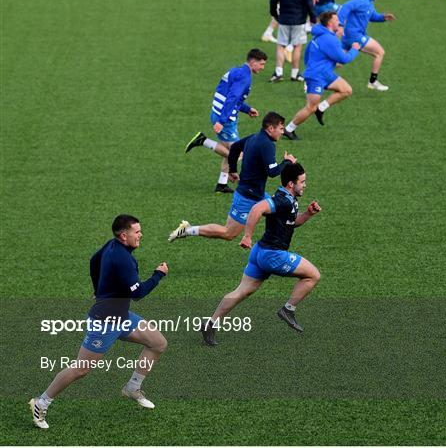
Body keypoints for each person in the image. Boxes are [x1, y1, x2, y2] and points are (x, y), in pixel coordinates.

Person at [29, 215, 169, 429]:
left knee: (158, 343)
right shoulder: (124, 260)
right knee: (81, 369)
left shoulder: (112, 245)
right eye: (137, 232)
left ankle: (132, 388)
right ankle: (41, 402)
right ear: (124, 235)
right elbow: (138, 293)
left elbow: (93, 260)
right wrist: (158, 275)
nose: (141, 235)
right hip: (105, 323)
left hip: (122, 317)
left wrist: (97, 289)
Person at [200, 163, 321, 346]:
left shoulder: (288, 198)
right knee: (313, 275)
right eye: (302, 182)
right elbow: (257, 209)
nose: (305, 185)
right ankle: (288, 309)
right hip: (273, 255)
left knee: (241, 291)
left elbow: (291, 221)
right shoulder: (282, 200)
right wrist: (247, 235)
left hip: (260, 252)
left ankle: (211, 323)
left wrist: (308, 214)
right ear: (291, 184)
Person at [169, 112, 296, 243]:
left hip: (257, 194)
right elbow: (273, 172)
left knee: (283, 212)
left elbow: (235, 147)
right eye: (281, 128)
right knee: (228, 233)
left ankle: (271, 247)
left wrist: (233, 170)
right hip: (247, 197)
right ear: (270, 128)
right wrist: (287, 162)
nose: (282, 132)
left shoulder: (254, 137)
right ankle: (188, 230)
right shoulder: (267, 145)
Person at [184, 49, 267, 194]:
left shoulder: (236, 71)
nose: (262, 67)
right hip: (226, 118)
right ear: (253, 62)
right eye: (261, 64)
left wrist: (247, 109)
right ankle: (203, 141)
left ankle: (221, 184)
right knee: (237, 153)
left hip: (218, 112)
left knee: (229, 151)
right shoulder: (244, 77)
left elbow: (231, 96)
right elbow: (232, 98)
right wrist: (222, 121)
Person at [283, 11, 360, 140]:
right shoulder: (329, 39)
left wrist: (327, 63)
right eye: (336, 20)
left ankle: (321, 108)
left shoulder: (321, 35)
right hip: (317, 76)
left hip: (325, 73)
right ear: (330, 23)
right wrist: (354, 49)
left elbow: (308, 55)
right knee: (310, 107)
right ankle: (288, 129)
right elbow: (344, 59)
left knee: (346, 90)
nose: (339, 22)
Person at [337, 0, 395, 92]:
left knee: (338, 62)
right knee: (380, 52)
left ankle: (313, 77)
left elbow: (372, 16)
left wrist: (383, 17)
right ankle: (372, 82)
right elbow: (345, 7)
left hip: (349, 36)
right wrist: (340, 25)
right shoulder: (361, 1)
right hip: (355, 36)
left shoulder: (368, 3)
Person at [269, 0, 314, 83]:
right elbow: (309, 3)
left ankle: (278, 72)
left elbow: (273, 0)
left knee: (280, 45)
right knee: (297, 46)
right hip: (299, 20)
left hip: (284, 19)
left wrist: (274, 14)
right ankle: (295, 74)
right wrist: (313, 17)